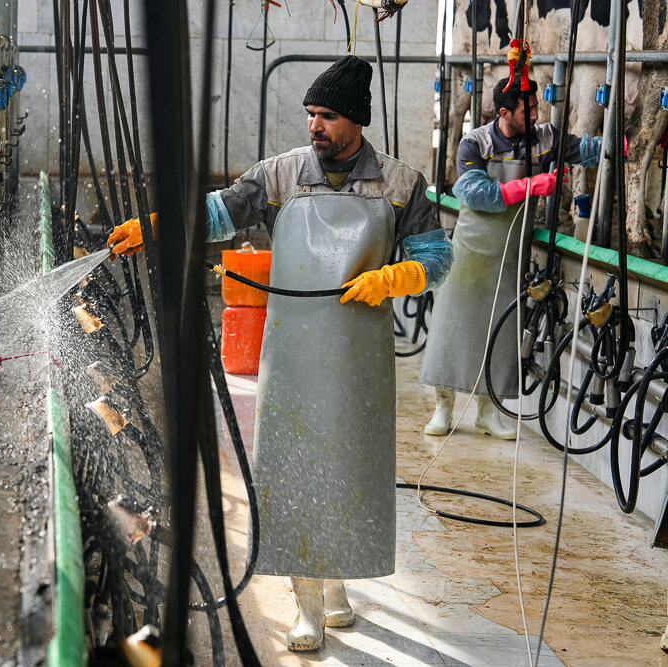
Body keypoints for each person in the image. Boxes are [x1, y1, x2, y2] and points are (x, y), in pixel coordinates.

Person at [108, 56, 453, 652]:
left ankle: (337, 583)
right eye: (311, 114)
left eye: (328, 116)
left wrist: (397, 276)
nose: (315, 125)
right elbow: (218, 212)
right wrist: (156, 225)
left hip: (359, 358)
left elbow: (438, 257)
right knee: (294, 470)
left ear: (357, 121)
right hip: (293, 353)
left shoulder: (401, 184)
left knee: (351, 468)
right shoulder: (281, 174)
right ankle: (306, 604)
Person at [419, 77, 603, 438]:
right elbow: (475, 194)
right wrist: (531, 185)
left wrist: (622, 140)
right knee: (452, 329)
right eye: (527, 110)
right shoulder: (476, 142)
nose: (535, 114)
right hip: (471, 252)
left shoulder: (545, 139)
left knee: (501, 333)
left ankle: (488, 412)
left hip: (510, 253)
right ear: (504, 113)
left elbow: (590, 151)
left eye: (536, 107)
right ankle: (443, 408)